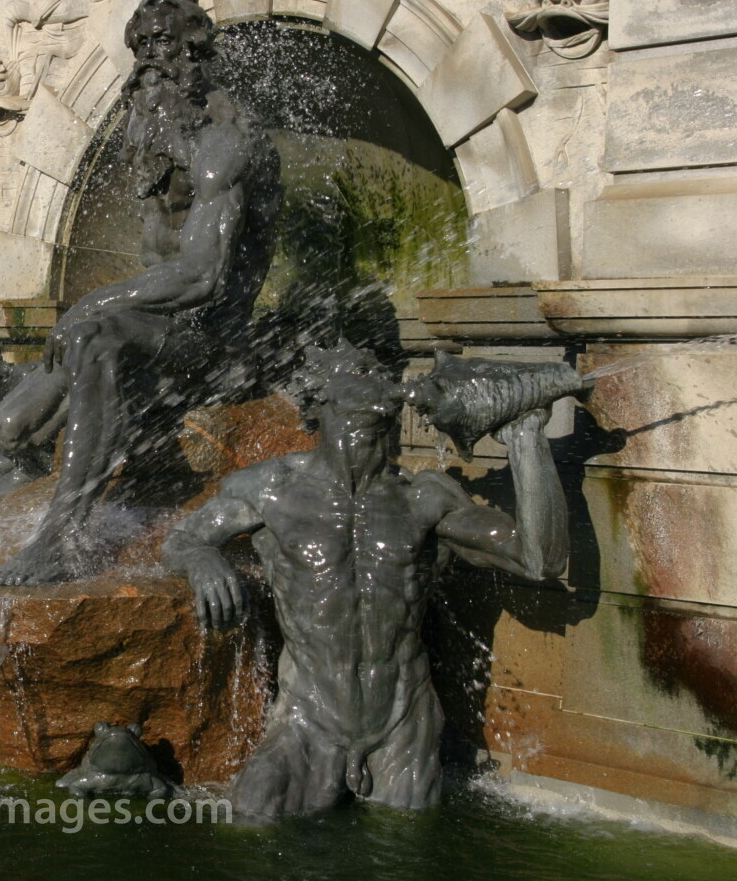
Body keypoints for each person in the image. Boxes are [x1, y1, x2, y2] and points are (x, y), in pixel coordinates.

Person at [161, 341, 569, 817]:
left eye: (375, 371)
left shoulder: (424, 497)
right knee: (254, 811)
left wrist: (526, 441)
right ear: (322, 401)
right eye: (358, 371)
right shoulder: (271, 489)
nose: (376, 382)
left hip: (404, 722)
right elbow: (183, 538)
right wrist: (202, 561)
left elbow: (540, 560)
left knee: (404, 845)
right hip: (308, 717)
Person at [0, 0, 283, 586]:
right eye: (139, 48)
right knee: (6, 428)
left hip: (211, 345)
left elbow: (202, 274)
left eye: (161, 44)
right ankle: (92, 460)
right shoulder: (158, 137)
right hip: (156, 331)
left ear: (195, 52)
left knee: (92, 335)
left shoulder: (225, 142)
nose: (147, 61)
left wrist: (91, 306)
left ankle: (62, 539)